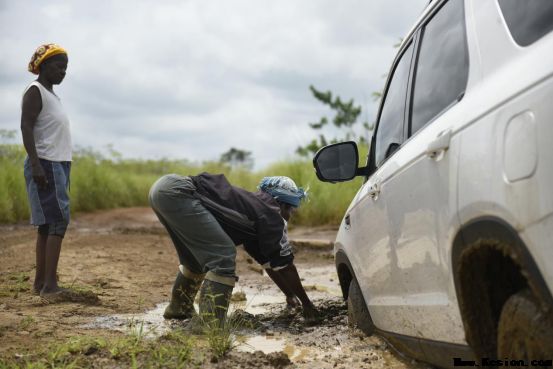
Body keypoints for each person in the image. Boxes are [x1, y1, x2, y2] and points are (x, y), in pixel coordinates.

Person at [148, 172, 318, 325]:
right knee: (224, 256)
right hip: (179, 193)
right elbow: (287, 267)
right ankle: (210, 324)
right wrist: (307, 304)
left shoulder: (254, 211)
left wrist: (290, 295)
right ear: (284, 205)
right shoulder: (271, 214)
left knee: (194, 261)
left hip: (163, 189)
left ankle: (179, 310)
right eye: (291, 211)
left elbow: (271, 264)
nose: (289, 216)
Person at [20, 44, 71, 300]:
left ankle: (42, 283)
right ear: (42, 66)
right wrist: (37, 164)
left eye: (65, 68)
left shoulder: (53, 95)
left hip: (58, 163)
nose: (62, 72)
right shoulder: (35, 90)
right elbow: (26, 127)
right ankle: (50, 286)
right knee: (57, 221)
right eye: (57, 66)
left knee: (47, 224)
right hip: (46, 163)